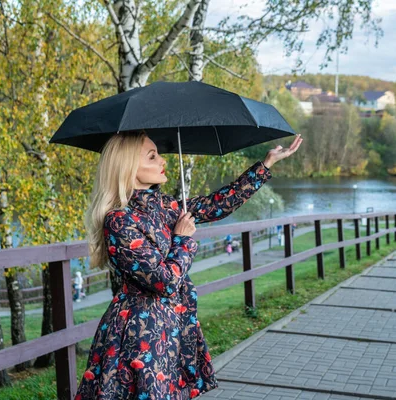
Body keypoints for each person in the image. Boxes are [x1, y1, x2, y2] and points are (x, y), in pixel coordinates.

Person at [76, 130, 302, 399]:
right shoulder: (119, 221)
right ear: (128, 167)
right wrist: (182, 239)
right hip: (140, 336)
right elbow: (164, 282)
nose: (163, 161)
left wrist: (266, 165)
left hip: (171, 327)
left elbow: (219, 204)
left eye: (159, 153)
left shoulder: (166, 206)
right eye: (152, 156)